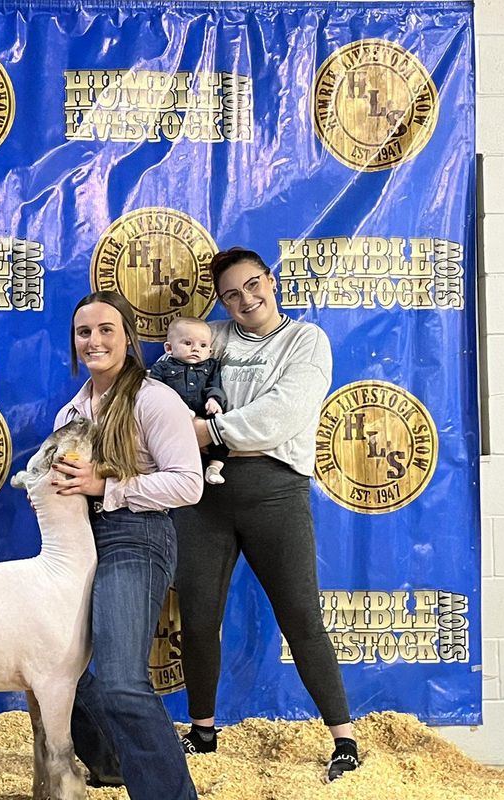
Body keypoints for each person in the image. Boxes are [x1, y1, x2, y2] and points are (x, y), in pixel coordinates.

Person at [171, 247, 359, 782]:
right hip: (204, 496)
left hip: (275, 490)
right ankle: (202, 730)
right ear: (222, 301)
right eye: (231, 294)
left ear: (270, 281)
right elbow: (167, 388)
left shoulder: (307, 340)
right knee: (200, 617)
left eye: (253, 285)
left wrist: (206, 432)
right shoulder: (211, 338)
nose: (246, 299)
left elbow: (283, 415)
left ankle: (344, 739)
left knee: (300, 616)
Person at [49, 290, 203, 800]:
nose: (94, 340)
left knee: (119, 681)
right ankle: (114, 763)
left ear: (129, 338)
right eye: (84, 332)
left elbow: (188, 484)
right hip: (78, 544)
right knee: (57, 669)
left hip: (136, 535)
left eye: (105, 329)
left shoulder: (154, 398)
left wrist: (106, 485)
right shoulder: (70, 414)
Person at [149, 317, 230, 484]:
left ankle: (214, 467)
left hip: (203, 412)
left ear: (210, 351)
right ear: (169, 348)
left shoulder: (211, 366)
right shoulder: (162, 367)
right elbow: (153, 392)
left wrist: (214, 399)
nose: (195, 349)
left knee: (222, 436)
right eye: (187, 343)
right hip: (174, 416)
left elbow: (215, 385)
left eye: (202, 345)